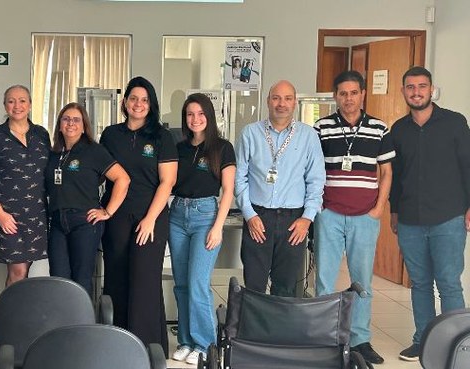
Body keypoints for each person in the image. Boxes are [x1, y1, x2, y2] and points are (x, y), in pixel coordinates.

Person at [389, 66, 470, 362]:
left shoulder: (455, 123)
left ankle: (459, 345)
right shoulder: (398, 130)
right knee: (420, 284)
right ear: (403, 91)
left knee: (448, 282)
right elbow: (395, 177)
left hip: (449, 218)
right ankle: (423, 340)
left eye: (422, 86)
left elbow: (468, 166)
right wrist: (394, 211)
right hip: (410, 220)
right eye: (410, 87)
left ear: (431, 89)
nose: (417, 92)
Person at [313, 70, 394, 365]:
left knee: (363, 282)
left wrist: (379, 207)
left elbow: (386, 172)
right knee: (324, 281)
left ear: (362, 94)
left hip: (365, 216)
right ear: (336, 96)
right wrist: (318, 207)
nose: (348, 98)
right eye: (343, 93)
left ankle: (360, 339)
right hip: (330, 214)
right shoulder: (321, 127)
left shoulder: (379, 128)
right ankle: (324, 337)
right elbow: (312, 169)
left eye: (354, 93)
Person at [99, 76, 177, 356]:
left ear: (151, 104)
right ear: (125, 102)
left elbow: (166, 183)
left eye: (144, 100)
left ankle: (146, 350)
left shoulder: (161, 137)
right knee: (116, 279)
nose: (138, 104)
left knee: (144, 281)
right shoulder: (110, 134)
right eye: (134, 98)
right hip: (116, 215)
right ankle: (116, 345)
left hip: (150, 216)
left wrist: (150, 219)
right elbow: (98, 172)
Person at [234, 80, 324, 297]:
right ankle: (254, 331)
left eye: (287, 98)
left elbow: (316, 180)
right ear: (268, 101)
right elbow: (239, 178)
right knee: (254, 284)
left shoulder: (308, 136)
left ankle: (279, 331)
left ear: (294, 103)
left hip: (294, 221)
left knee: (286, 288)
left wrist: (307, 219)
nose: (281, 104)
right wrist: (249, 214)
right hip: (258, 218)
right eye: (276, 98)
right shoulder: (250, 133)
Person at [168, 93, 235, 365]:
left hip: (206, 216)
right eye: (189, 114)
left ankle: (206, 345)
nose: (195, 119)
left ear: (209, 116)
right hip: (177, 216)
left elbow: (228, 190)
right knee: (182, 285)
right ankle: (186, 341)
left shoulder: (222, 147)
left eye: (200, 114)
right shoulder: (179, 148)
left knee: (197, 284)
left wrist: (218, 227)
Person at [45, 102, 130, 294]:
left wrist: (108, 211)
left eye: (76, 120)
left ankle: (82, 323)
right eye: (66, 119)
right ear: (59, 124)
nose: (70, 124)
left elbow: (122, 179)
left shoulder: (94, 151)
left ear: (84, 126)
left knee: (81, 280)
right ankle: (63, 323)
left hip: (84, 222)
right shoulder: (54, 154)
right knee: (58, 279)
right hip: (58, 223)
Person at [0, 85, 49, 286]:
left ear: (29, 105)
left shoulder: (41, 135)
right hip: (7, 215)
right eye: (11, 101)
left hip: (36, 215)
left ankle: (19, 313)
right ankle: (10, 316)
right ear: (4, 105)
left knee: (25, 270)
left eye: (22, 100)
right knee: (17, 271)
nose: (17, 105)